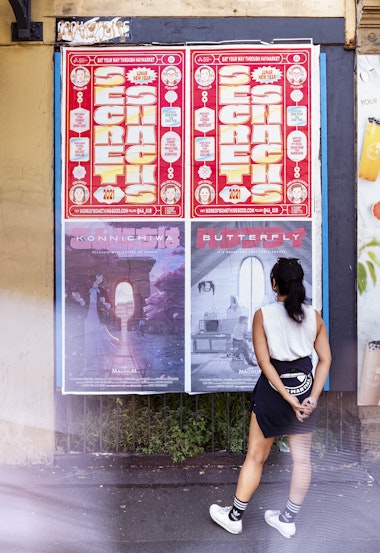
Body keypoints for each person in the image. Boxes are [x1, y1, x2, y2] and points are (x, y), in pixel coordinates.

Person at [209, 257, 331, 539]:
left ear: (274, 283)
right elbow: (325, 360)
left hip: (274, 392)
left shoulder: (263, 314)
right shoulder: (314, 315)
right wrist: (310, 398)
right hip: (304, 389)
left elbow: (265, 363)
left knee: (256, 456)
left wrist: (287, 398)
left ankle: (234, 517)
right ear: (299, 284)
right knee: (302, 460)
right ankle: (287, 519)